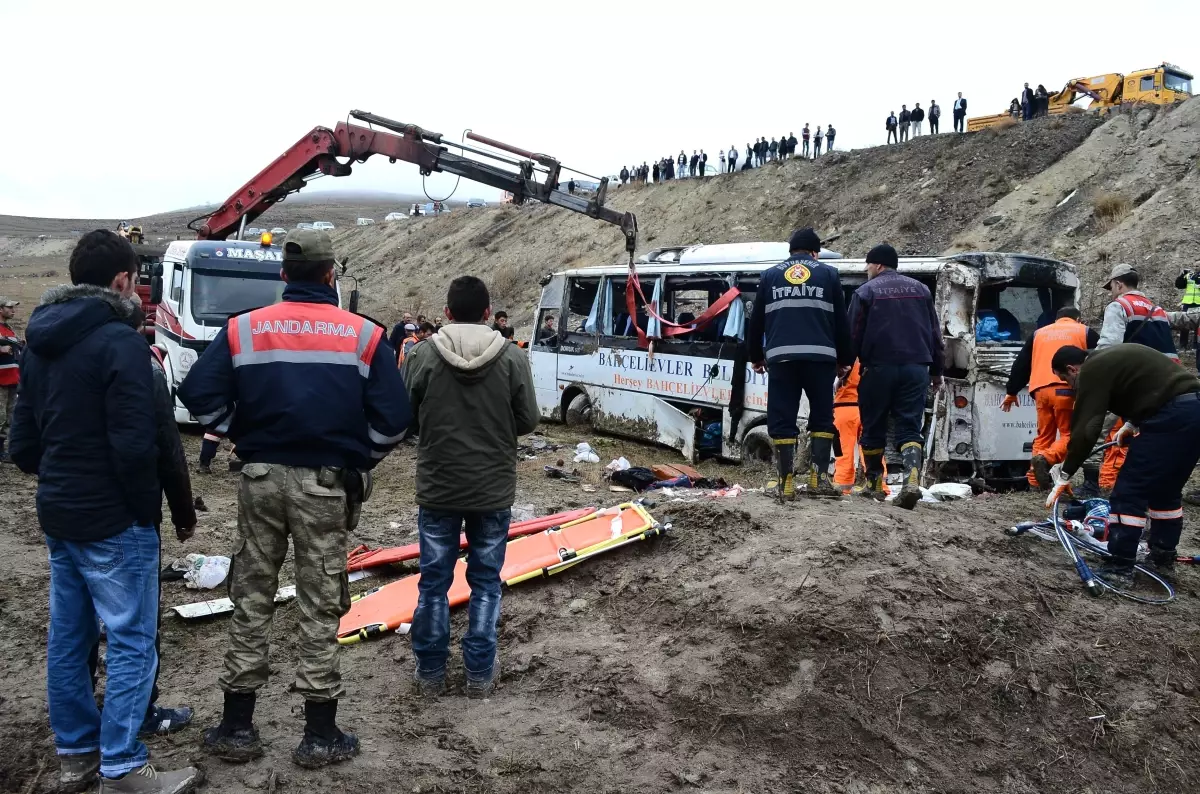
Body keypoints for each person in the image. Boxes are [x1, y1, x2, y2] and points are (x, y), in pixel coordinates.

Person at [178, 229, 412, 769]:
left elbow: (197, 394)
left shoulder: (243, 330)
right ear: (331, 275)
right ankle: (319, 734)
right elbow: (395, 419)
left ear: (283, 275)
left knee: (253, 595)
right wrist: (360, 459)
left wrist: (241, 434)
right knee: (321, 601)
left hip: (260, 480)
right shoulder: (364, 336)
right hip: (325, 486)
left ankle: (237, 727)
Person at [9, 230, 203, 793]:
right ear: (122, 281)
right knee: (131, 639)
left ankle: (77, 756)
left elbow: (21, 445)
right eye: (137, 283)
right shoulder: (121, 342)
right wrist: (145, 511)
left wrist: (65, 472)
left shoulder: (40, 342)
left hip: (60, 512)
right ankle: (122, 766)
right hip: (115, 519)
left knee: (68, 638)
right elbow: (137, 444)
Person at [403, 276, 539, 697]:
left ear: (446, 314)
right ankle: (479, 674)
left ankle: (429, 674)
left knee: (433, 582)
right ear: (487, 313)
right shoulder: (513, 358)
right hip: (492, 489)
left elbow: (405, 417)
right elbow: (529, 419)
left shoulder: (422, 355)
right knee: (485, 582)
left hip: (439, 486)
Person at [1047, 344, 1200, 583]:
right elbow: (1151, 387)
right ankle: (1162, 558)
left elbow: (1087, 429)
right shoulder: (1112, 357)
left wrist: (1065, 474)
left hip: (1169, 419)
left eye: (1065, 379)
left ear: (1072, 369)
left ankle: (1120, 566)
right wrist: (1132, 423)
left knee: (1129, 492)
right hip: (1192, 412)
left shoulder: (1092, 369)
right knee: (1166, 491)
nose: (1069, 386)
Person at [747, 228, 853, 500]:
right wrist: (845, 360)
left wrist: (756, 356)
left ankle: (786, 483)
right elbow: (842, 321)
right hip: (821, 360)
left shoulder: (770, 275)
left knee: (782, 417)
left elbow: (756, 320)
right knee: (821, 416)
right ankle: (818, 480)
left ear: (791, 250)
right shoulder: (828, 274)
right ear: (815, 252)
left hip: (782, 360)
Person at [847, 243, 944, 509]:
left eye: (867, 265)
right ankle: (911, 479)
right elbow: (935, 335)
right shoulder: (922, 290)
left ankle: (874, 484)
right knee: (909, 426)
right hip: (916, 370)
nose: (866, 270)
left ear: (877, 265)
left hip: (879, 369)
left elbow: (853, 334)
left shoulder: (866, 291)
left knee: (874, 425)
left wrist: (844, 366)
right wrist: (937, 371)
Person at [1003, 307, 1098, 488]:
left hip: (1040, 390)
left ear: (1056, 319)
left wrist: (1012, 391)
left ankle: (1035, 482)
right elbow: (1100, 356)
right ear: (1077, 318)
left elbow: (1022, 362)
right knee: (1070, 434)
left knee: (1043, 436)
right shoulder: (1084, 331)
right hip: (1066, 388)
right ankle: (1046, 459)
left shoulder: (1039, 333)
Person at [1097, 264, 1178, 360]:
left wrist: (1092, 363)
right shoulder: (1157, 310)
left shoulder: (1118, 306)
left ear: (1119, 285)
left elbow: (1108, 348)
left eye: (1111, 288)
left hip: (1141, 371)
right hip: (1171, 370)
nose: (1111, 293)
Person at [0, 298, 22, 460]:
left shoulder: (9, 330)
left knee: (9, 417)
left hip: (12, 379)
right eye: (9, 307)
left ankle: (2, 450)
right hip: (1, 381)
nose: (13, 310)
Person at [1173, 267, 1200, 350]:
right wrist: (1182, 275)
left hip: (1198, 303)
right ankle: (1183, 344)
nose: (1196, 267)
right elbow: (1179, 285)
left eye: (1198, 265)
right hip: (1188, 303)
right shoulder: (1189, 275)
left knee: (1198, 325)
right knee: (1184, 323)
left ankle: (1196, 345)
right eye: (1195, 265)